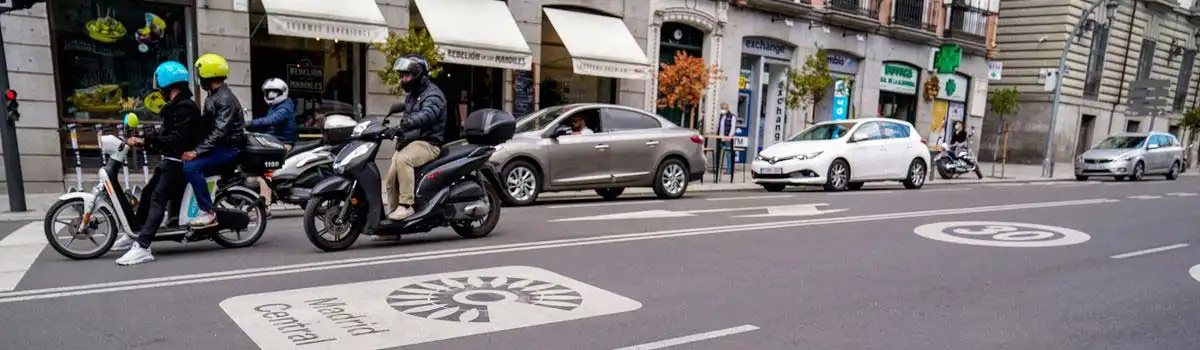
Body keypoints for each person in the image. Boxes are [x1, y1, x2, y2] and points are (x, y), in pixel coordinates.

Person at [112, 61, 210, 266]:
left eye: (160, 85)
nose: (158, 89)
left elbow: (178, 139)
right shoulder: (175, 106)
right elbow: (164, 133)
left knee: (158, 198)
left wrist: (148, 141)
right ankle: (135, 233)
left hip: (178, 163)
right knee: (147, 193)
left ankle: (144, 246)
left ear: (169, 83)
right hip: (170, 160)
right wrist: (144, 137)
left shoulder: (186, 108)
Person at [183, 53, 246, 228]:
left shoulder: (224, 99)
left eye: (199, 73)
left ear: (208, 74)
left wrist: (196, 152)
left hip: (229, 149)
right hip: (220, 146)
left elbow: (219, 131)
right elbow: (206, 125)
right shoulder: (213, 95)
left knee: (192, 166)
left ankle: (208, 212)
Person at [383, 55, 446, 226]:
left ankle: (406, 205)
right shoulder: (412, 96)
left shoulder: (433, 95)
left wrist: (403, 126)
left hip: (429, 143)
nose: (403, 79)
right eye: (402, 76)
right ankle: (392, 220)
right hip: (414, 142)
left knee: (404, 159)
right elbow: (409, 115)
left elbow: (427, 115)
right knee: (391, 178)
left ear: (419, 75)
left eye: (407, 75)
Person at [246, 78, 297, 215]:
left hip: (283, 143)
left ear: (282, 92)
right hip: (274, 141)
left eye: (275, 92)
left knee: (266, 170)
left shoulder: (285, 107)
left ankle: (265, 204)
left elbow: (271, 121)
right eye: (268, 92)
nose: (271, 95)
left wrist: (250, 123)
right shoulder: (275, 106)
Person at [715, 103, 738, 175]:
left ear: (727, 109)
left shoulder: (732, 117)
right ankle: (717, 168)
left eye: (723, 109)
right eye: (721, 108)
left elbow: (733, 127)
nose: (722, 110)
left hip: (727, 138)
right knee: (718, 153)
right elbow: (720, 126)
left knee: (728, 154)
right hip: (721, 137)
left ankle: (729, 170)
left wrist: (730, 136)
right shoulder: (722, 116)